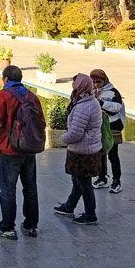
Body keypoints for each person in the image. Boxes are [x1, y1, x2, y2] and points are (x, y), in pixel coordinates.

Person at [0, 65, 45, 240]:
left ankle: (7, 227)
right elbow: (41, 122)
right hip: (29, 150)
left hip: (10, 150)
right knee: (30, 187)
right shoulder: (32, 97)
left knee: (8, 189)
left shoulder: (3, 96)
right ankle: (30, 225)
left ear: (5, 79)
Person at [54, 73, 104, 225]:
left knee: (84, 182)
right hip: (86, 148)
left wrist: (62, 138)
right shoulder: (87, 100)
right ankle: (69, 206)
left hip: (84, 150)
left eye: (75, 83)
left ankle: (90, 214)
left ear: (81, 85)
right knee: (78, 179)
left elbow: (76, 132)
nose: (73, 86)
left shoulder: (85, 106)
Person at [90, 69, 125, 194]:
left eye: (98, 81)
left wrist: (100, 102)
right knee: (100, 154)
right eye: (93, 82)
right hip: (99, 127)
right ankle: (102, 177)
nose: (96, 84)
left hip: (112, 127)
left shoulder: (113, 92)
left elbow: (116, 108)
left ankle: (116, 181)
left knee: (113, 154)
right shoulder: (93, 91)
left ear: (104, 80)